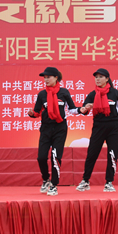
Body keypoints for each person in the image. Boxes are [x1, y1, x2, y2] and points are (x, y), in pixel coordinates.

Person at [75, 68, 118, 193]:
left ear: (107, 79)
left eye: (101, 77)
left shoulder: (114, 93)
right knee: (92, 154)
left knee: (112, 154)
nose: (98, 79)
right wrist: (86, 108)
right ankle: (85, 180)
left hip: (113, 127)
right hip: (98, 127)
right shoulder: (92, 94)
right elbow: (84, 109)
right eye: (96, 77)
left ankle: (109, 182)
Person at [28, 67, 79, 196]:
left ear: (56, 77)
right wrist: (31, 114)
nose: (46, 80)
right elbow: (36, 112)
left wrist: (82, 110)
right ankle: (46, 179)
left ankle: (54, 185)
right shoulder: (42, 94)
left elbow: (72, 109)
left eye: (48, 77)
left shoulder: (64, 92)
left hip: (60, 128)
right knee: (41, 157)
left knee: (55, 157)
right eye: (44, 78)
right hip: (46, 129)